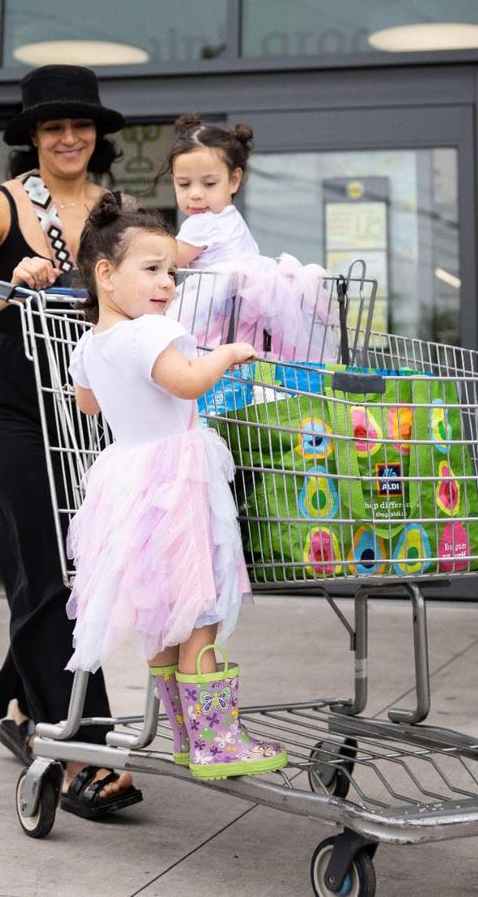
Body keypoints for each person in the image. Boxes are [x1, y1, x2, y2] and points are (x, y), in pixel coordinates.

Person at [0, 64, 142, 821]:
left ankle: (20, 703)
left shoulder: (118, 210)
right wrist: (12, 283)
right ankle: (86, 748)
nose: (68, 136)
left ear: (97, 134)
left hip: (87, 408)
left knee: (73, 566)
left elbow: (149, 285)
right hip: (10, 407)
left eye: (80, 124)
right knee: (42, 563)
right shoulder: (0, 204)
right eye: (52, 126)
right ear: (30, 136)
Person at [65, 193, 287, 781]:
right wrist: (230, 355)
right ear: (105, 274)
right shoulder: (152, 334)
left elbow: (88, 405)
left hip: (130, 480)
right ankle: (219, 744)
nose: (166, 283)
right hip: (178, 477)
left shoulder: (92, 345)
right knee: (201, 607)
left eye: (171, 272)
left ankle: (190, 738)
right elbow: (187, 384)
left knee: (163, 614)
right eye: (152, 269)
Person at [165, 114, 331, 360]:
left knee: (191, 357)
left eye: (209, 184)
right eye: (184, 184)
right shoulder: (233, 218)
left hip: (216, 316)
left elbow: (167, 262)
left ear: (234, 180)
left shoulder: (200, 224)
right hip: (246, 319)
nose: (196, 194)